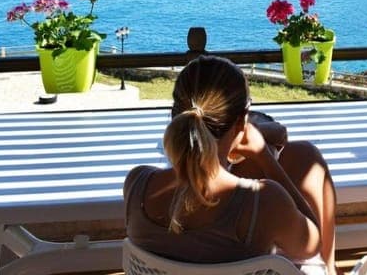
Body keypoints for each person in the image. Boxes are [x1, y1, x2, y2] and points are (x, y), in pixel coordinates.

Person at [124, 55, 337, 274]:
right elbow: (312, 245)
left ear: (174, 116)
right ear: (242, 122)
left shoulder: (136, 184)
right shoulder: (263, 201)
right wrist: (266, 159)